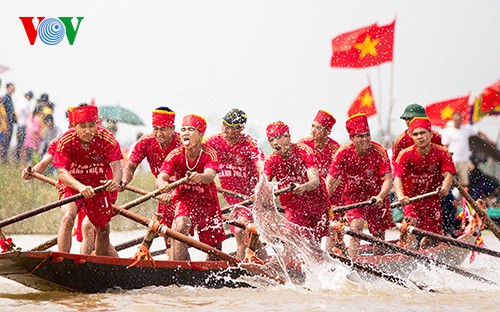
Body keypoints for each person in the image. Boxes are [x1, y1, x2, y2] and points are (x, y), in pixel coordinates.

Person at [53, 104, 123, 256]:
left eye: (92, 126)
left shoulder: (106, 138)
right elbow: (62, 173)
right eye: (82, 126)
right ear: (74, 126)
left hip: (98, 187)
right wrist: (80, 187)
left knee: (102, 228)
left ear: (97, 124)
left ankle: (99, 264)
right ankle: (63, 260)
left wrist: (116, 182)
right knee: (68, 216)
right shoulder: (66, 140)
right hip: (72, 185)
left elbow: (118, 168)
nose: (88, 131)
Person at [156, 114, 226, 261]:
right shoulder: (175, 154)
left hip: (207, 201)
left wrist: (200, 177)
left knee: (215, 248)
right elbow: (161, 177)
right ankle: (180, 269)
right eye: (183, 129)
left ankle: (212, 270)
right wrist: (163, 187)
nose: (186, 133)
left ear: (200, 135)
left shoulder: (209, 153)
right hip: (185, 199)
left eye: (191, 129)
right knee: (180, 226)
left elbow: (210, 174)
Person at [325, 113, 394, 257]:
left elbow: (388, 179)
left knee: (379, 236)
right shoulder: (342, 153)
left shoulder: (379, 151)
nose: (365, 139)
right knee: (356, 226)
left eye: (367, 135)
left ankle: (377, 264)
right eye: (360, 136)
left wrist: (380, 196)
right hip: (354, 197)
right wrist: (325, 202)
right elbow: (330, 181)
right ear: (352, 139)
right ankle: (353, 262)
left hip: (377, 197)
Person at [205, 108, 266, 260]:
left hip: (250, 199)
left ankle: (240, 272)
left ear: (240, 128)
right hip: (232, 201)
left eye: (231, 127)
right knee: (252, 238)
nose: (225, 129)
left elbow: (262, 168)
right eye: (224, 124)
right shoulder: (213, 142)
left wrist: (261, 189)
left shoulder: (249, 144)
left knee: (240, 231)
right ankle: (268, 265)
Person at [393, 103, 456, 237]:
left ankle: (448, 231)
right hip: (411, 191)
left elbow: (443, 161)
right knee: (411, 223)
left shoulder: (437, 138)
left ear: (429, 133)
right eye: (407, 120)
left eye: (423, 133)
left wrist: (445, 185)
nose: (419, 137)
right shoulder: (401, 142)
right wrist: (400, 195)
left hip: (433, 187)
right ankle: (408, 240)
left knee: (448, 203)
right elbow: (397, 171)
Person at [122, 107, 180, 250]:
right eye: (156, 129)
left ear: (172, 128)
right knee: (168, 235)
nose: (159, 134)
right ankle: (172, 256)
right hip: (164, 192)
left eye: (164, 129)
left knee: (179, 228)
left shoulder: (182, 143)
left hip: (183, 191)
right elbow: (129, 168)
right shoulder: (145, 142)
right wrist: (123, 181)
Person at [263, 121, 330, 242]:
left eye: (278, 138)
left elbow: (315, 181)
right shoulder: (271, 160)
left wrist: (303, 187)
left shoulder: (304, 150)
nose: (275, 143)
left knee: (313, 246)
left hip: (317, 203)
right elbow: (262, 184)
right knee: (289, 236)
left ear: (288, 137)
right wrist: (258, 194)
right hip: (293, 206)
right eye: (271, 140)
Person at [441, 111, 478, 187]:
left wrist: (490, 141)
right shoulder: (448, 131)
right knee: (449, 182)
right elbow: (444, 146)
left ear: (461, 119)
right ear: (453, 120)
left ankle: (462, 199)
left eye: (459, 119)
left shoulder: (466, 130)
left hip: (464, 160)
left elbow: (478, 131)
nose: (458, 120)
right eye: (456, 119)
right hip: (453, 160)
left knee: (464, 183)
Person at [15, 90, 34, 162]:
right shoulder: (25, 103)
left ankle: (17, 158)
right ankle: (19, 158)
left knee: (19, 142)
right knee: (22, 143)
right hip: (23, 124)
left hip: (19, 124)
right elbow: (28, 114)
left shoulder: (20, 101)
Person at [0, 82, 16, 162]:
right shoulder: (6, 97)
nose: (14, 88)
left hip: (10, 122)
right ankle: (3, 158)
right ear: (8, 87)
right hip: (6, 123)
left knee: (7, 141)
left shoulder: (10, 97)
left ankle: (4, 158)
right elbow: (3, 112)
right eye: (12, 87)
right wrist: (6, 123)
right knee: (4, 141)